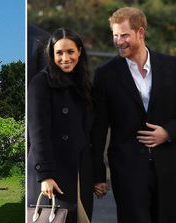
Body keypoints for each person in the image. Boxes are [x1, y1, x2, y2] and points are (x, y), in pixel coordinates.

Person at [92, 7, 176, 223]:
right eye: (115, 35)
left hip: (168, 168)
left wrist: (168, 132)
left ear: (141, 32)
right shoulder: (105, 75)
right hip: (127, 170)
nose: (119, 41)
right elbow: (98, 128)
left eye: (124, 35)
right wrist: (98, 174)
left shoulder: (171, 66)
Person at [28, 28, 94, 223]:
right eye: (59, 53)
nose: (65, 58)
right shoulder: (40, 84)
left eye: (70, 52)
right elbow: (37, 132)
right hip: (52, 173)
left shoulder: (83, 86)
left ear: (79, 52)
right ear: (51, 54)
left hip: (79, 173)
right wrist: (45, 175)